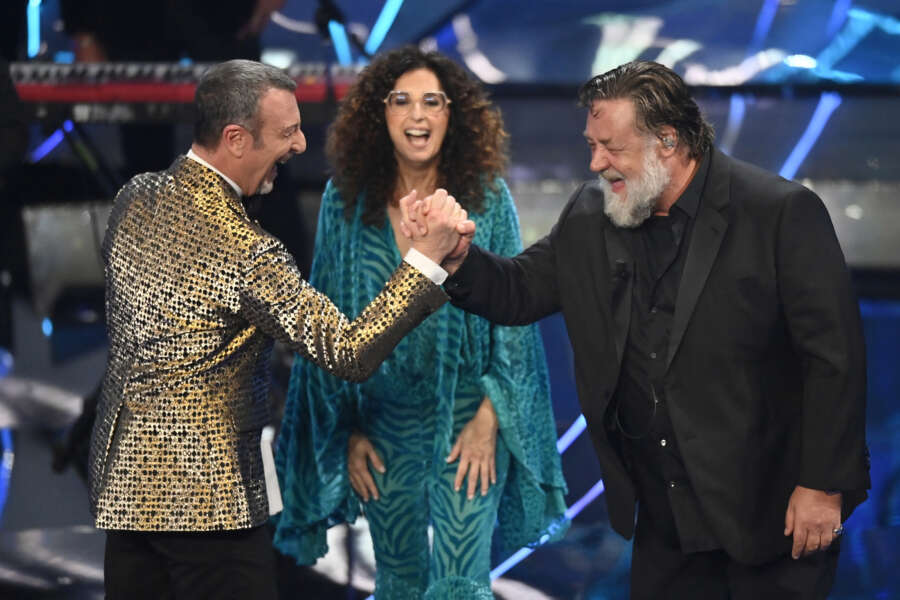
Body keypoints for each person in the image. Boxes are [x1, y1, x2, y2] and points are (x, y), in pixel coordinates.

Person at [407, 60, 869, 599]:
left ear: (667, 141)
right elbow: (520, 289)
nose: (596, 162)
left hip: (773, 513)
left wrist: (822, 485)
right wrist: (461, 258)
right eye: (591, 144)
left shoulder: (779, 213)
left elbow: (834, 360)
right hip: (665, 520)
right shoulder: (591, 214)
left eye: (611, 146)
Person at [88, 58, 473, 600]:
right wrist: (425, 261)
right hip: (209, 506)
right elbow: (350, 351)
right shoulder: (247, 251)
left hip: (126, 492)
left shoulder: (136, 198)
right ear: (236, 138)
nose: (297, 146)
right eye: (287, 133)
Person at [273, 46, 568, 599]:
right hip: (382, 422)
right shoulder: (346, 201)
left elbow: (514, 320)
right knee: (401, 581)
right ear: (379, 115)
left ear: (452, 114)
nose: (417, 116)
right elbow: (327, 319)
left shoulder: (486, 195)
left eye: (432, 102)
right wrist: (350, 432)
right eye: (402, 101)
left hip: (468, 417)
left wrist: (490, 419)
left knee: (460, 580)